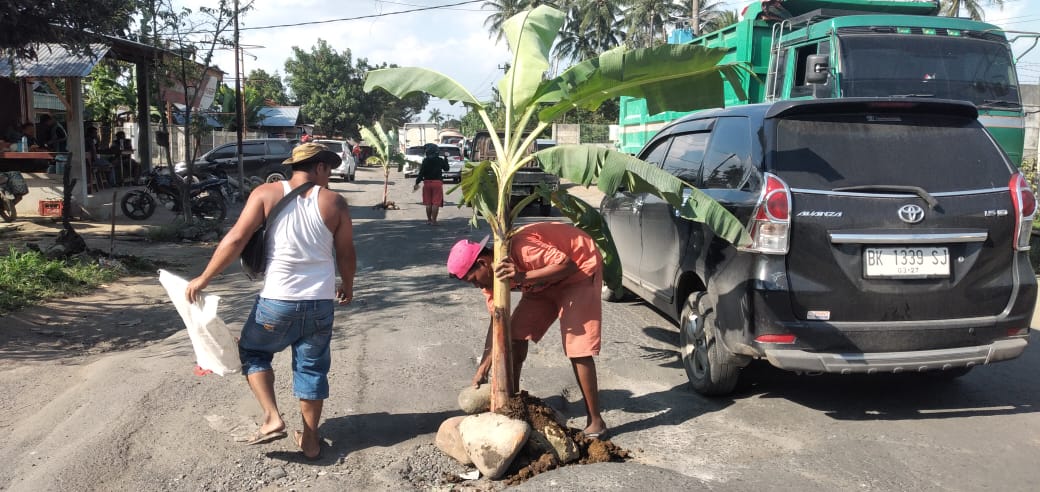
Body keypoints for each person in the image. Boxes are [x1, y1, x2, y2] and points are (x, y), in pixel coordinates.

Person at [185, 142, 357, 461]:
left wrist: (204, 278)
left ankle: (272, 417)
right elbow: (346, 252)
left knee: (253, 351)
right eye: (329, 169)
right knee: (312, 368)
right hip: (319, 303)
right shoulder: (334, 202)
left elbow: (236, 238)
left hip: (276, 301)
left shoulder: (265, 194)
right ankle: (310, 440)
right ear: (318, 168)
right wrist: (347, 285)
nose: (331, 175)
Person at [447, 222, 608, 438]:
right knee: (513, 335)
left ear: (483, 262)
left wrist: (521, 277)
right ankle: (513, 405)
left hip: (578, 271)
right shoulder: (489, 280)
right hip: (543, 283)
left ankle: (596, 421)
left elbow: (568, 265)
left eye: (473, 280)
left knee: (577, 347)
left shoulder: (522, 248)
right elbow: (497, 321)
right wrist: (484, 366)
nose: (476, 286)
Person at [413, 142, 449, 225]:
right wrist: (446, 158)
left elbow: (421, 173)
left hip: (427, 183)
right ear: (436, 151)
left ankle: (429, 220)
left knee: (428, 203)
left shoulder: (425, 161)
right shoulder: (440, 160)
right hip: (437, 183)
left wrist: (417, 182)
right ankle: (434, 221)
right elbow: (446, 168)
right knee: (436, 203)